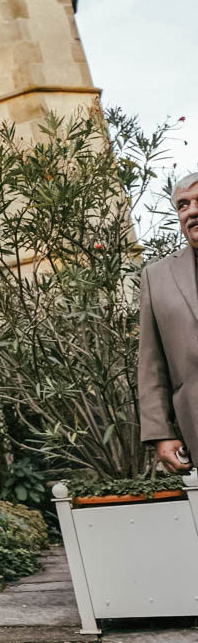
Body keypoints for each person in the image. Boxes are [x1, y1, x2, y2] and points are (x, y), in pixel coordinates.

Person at [138, 171, 198, 474]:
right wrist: (161, 432)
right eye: (183, 205)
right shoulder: (157, 276)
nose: (192, 211)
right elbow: (151, 362)